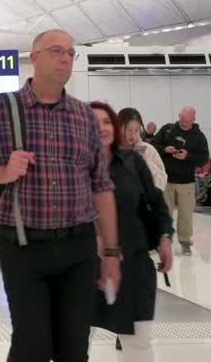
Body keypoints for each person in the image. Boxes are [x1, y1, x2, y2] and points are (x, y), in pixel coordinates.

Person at [0, 29, 120, 362]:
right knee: (32, 346)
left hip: (78, 248)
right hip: (23, 246)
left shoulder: (84, 116)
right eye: (57, 51)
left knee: (75, 347)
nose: (65, 58)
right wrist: (3, 172)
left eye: (71, 53)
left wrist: (111, 251)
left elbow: (101, 186)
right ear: (35, 58)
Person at [90, 101, 174, 355]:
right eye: (94, 122)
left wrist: (164, 237)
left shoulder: (132, 161)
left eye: (107, 121)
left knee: (137, 343)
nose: (102, 127)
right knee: (73, 343)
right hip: (84, 267)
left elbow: (156, 203)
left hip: (133, 265)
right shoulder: (71, 166)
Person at [152, 106, 209, 255]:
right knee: (164, 213)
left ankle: (185, 242)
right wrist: (165, 149)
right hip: (166, 180)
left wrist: (187, 156)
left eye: (186, 121)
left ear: (193, 120)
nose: (183, 123)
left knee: (185, 214)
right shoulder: (167, 129)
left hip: (186, 182)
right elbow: (152, 145)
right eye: (181, 119)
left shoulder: (199, 136)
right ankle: (163, 241)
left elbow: (203, 158)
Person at [118, 108, 166, 191]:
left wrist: (143, 162)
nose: (132, 134)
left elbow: (162, 179)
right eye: (129, 129)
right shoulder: (110, 149)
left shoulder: (148, 149)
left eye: (136, 130)